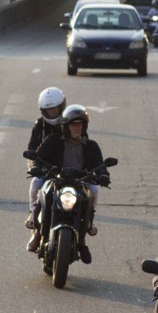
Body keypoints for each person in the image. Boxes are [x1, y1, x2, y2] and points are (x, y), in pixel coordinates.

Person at [33, 104, 109, 264]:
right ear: (65, 126)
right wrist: (37, 167)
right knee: (43, 192)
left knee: (93, 191)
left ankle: (84, 236)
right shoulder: (54, 141)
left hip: (80, 182)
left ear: (84, 126)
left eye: (80, 124)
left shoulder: (91, 146)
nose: (77, 128)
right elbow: (39, 156)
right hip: (57, 179)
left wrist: (103, 175)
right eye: (73, 125)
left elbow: (100, 165)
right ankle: (38, 230)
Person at [26, 86, 67, 251]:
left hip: (70, 169)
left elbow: (84, 146)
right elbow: (31, 150)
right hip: (46, 169)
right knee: (36, 184)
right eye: (49, 110)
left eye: (56, 108)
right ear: (43, 111)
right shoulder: (39, 126)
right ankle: (34, 223)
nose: (53, 112)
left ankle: (88, 223)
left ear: (62, 106)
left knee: (90, 190)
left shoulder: (72, 122)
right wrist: (35, 166)